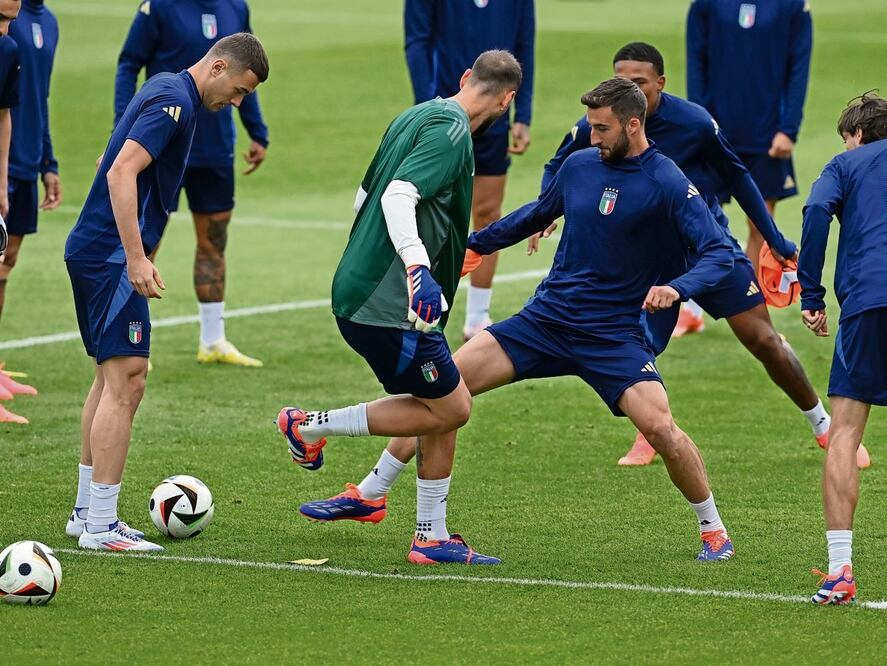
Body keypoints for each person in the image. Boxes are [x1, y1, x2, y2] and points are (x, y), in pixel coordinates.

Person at [294, 78, 739, 563]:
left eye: (601, 128)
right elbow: (536, 214)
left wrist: (678, 288)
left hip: (612, 336)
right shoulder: (580, 166)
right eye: (590, 126)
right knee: (443, 394)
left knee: (661, 429)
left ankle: (713, 530)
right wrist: (475, 244)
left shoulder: (668, 181)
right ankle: (372, 492)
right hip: (544, 321)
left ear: (633, 125)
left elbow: (718, 252)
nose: (592, 136)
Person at [532, 42, 868, 468]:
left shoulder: (694, 123)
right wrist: (545, 210)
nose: (629, 87)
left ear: (660, 83)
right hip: (647, 258)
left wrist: (774, 239)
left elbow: (738, 177)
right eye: (621, 79)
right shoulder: (600, 124)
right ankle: (649, 433)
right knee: (640, 342)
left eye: (639, 81)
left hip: (708, 248)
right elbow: (557, 165)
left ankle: (823, 425)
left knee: (763, 339)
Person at [277, 50, 522, 565]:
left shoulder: (415, 115)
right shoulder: (453, 133)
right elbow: (396, 196)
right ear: (507, 101)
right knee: (452, 407)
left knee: (442, 401)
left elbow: (363, 197)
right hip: (392, 306)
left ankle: (421, 528)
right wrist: (416, 267)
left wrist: (423, 256)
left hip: (366, 292)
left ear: (465, 77)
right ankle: (309, 426)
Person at [64, 33, 269, 552]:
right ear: (218, 67)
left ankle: (86, 513)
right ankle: (102, 526)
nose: (237, 104)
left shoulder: (166, 87)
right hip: (110, 257)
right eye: (239, 91)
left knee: (111, 378)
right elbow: (119, 171)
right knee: (128, 379)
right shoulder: (175, 102)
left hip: (98, 252)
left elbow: (110, 157)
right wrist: (135, 256)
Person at [115, 0, 269, 367]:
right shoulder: (159, 6)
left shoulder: (236, 7)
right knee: (145, 242)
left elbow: (245, 76)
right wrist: (124, 127)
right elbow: (129, 63)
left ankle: (213, 340)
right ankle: (130, 339)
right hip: (162, 145)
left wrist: (257, 131)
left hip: (215, 149)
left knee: (214, 242)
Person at [404, 0, 535, 340]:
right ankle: (416, 306)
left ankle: (477, 316)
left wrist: (522, 114)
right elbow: (417, 42)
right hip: (445, 110)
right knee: (431, 213)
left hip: (495, 115)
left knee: (488, 211)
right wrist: (428, 107)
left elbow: (524, 45)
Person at [801, 93, 887, 605]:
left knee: (845, 434)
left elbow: (816, 210)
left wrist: (811, 294)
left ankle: (839, 572)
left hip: (869, 303)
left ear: (855, 134)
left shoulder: (845, 164)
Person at [684, 0, 812, 334]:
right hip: (714, 128)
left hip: (767, 132)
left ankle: (753, 315)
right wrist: (698, 121)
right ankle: (692, 309)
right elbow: (696, 60)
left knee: (760, 222)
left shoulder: (792, 6)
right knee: (699, 217)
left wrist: (789, 128)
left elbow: (799, 65)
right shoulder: (706, 4)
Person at [0, 0, 58, 414]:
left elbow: (40, 97)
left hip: (23, 160)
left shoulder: (45, 21)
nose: (6, 26)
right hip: (6, 164)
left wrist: (47, 162)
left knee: (6, 263)